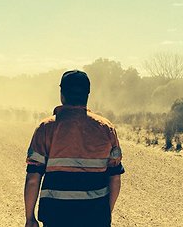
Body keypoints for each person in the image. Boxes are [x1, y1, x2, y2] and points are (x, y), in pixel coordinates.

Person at [24, 70, 125, 227]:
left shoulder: (45, 128)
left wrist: (29, 218)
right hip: (95, 215)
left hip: (56, 215)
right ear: (87, 95)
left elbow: (33, 179)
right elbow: (115, 178)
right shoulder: (106, 129)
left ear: (62, 94)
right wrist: (105, 214)